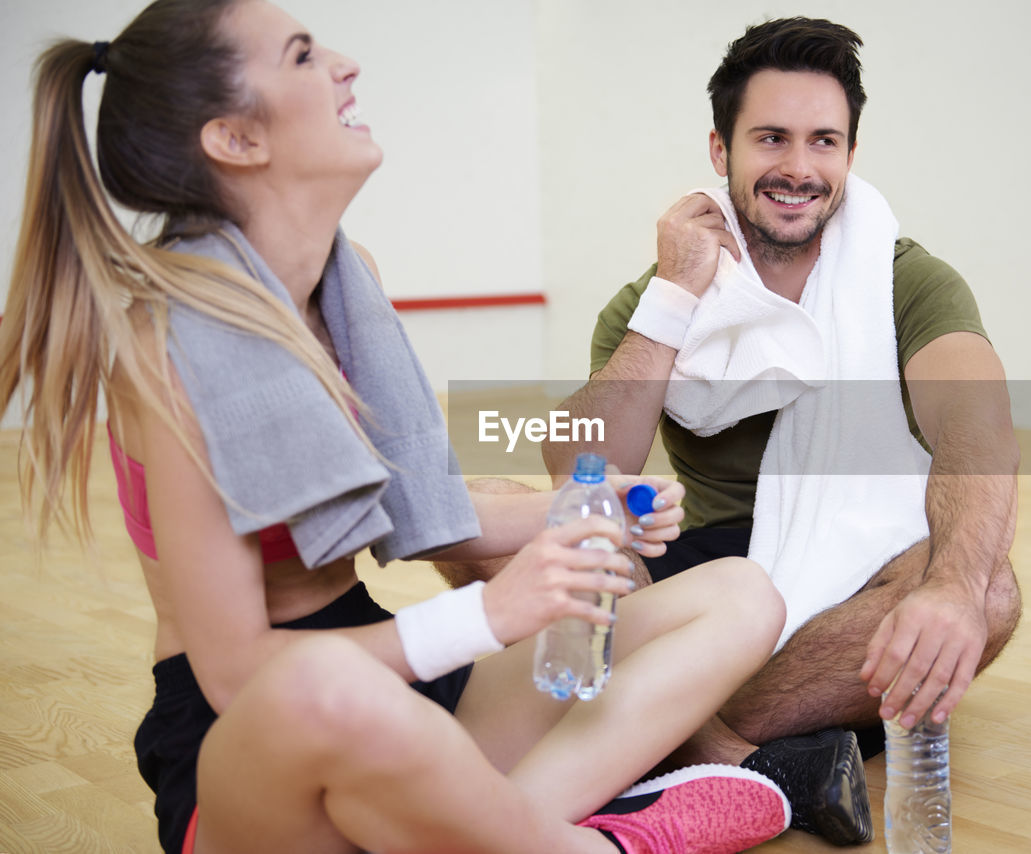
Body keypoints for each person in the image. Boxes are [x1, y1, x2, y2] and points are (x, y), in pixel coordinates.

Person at [0, 2, 797, 852]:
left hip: (399, 687)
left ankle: (494, 829)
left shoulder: (350, 286)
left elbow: (416, 506)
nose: (343, 64)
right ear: (235, 139)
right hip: (257, 745)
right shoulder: (166, 343)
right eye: (304, 55)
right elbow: (237, 674)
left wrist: (597, 505)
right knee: (323, 685)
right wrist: (488, 615)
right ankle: (592, 842)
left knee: (742, 597)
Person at [538, 16, 1024, 846]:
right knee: (519, 527)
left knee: (989, 589)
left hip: (848, 574)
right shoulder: (654, 298)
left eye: (824, 141)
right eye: (771, 139)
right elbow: (581, 469)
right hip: (707, 568)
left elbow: (976, 429)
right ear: (721, 152)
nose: (799, 168)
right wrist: (673, 298)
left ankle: (660, 730)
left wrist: (949, 589)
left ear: (850, 154)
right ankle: (744, 749)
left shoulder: (904, 280)